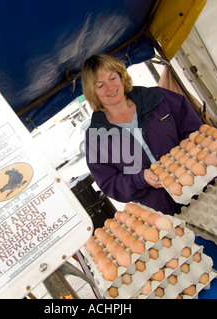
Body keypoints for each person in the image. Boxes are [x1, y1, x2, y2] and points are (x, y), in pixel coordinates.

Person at [82, 54, 203, 215]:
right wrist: (140, 178)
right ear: (92, 92)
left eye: (112, 78)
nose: (110, 87)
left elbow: (195, 131)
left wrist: (183, 160)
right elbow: (110, 183)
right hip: (161, 210)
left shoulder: (158, 98)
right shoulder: (97, 137)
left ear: (121, 75)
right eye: (100, 85)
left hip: (198, 184)